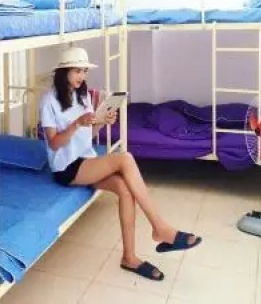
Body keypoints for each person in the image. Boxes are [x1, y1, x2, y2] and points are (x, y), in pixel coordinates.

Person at [39, 46, 202, 281]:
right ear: (64, 71)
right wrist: (76, 124)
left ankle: (129, 257)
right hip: (67, 167)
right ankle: (160, 228)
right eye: (77, 71)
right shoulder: (49, 101)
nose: (82, 76)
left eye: (84, 71)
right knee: (125, 158)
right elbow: (54, 144)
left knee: (125, 189)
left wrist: (101, 121)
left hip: (86, 160)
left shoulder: (83, 96)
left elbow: (88, 134)